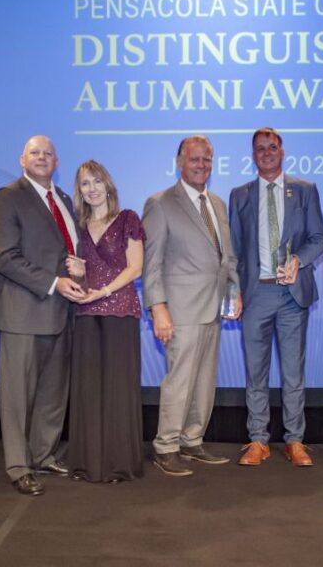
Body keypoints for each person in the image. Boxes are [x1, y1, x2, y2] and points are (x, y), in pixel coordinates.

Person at [0, 135, 85, 496]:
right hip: (24, 313)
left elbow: (69, 254)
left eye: (48, 154)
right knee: (18, 396)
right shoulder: (8, 197)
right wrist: (53, 283)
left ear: (57, 162)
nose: (42, 158)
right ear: (21, 159)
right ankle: (18, 464)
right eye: (35, 153)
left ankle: (43, 454)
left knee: (53, 393)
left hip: (62, 314)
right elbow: (5, 257)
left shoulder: (65, 200)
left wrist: (79, 274)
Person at [142, 135, 241, 476]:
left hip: (213, 307)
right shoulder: (161, 203)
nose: (202, 165)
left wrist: (235, 291)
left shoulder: (217, 203)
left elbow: (226, 256)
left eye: (207, 160)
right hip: (179, 311)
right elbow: (150, 263)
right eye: (195, 159)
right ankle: (165, 445)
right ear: (179, 162)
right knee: (180, 381)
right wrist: (158, 307)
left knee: (203, 381)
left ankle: (191, 440)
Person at [229, 128, 323, 467]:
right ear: (253, 156)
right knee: (255, 372)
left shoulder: (305, 190)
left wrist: (299, 259)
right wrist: (234, 292)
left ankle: (295, 440)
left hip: (291, 293)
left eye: (272, 147)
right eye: (260, 149)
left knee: (292, 373)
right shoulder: (239, 195)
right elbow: (235, 251)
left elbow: (318, 238)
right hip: (256, 294)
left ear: (282, 152)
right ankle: (258, 440)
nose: (267, 153)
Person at [65, 161, 146, 483]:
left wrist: (105, 291)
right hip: (86, 313)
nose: (92, 188)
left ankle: (117, 465)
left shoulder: (127, 219)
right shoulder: (76, 226)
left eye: (97, 181)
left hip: (120, 311)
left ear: (108, 185)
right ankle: (87, 464)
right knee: (88, 391)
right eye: (85, 183)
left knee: (118, 390)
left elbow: (135, 268)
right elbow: (82, 271)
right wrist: (81, 277)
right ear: (79, 190)